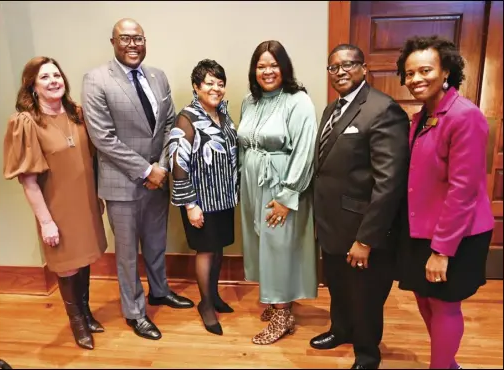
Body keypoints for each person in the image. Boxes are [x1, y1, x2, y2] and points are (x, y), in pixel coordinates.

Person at [81, 18, 194, 341]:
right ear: (113, 41)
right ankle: (134, 312)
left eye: (139, 38)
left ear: (146, 41)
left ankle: (160, 291)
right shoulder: (97, 80)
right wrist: (146, 170)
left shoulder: (157, 77)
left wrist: (160, 168)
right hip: (123, 184)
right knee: (128, 254)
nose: (133, 44)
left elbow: (170, 123)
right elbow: (103, 137)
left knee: (157, 244)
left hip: (157, 181)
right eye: (126, 38)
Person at [396, 35, 494, 370]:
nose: (416, 79)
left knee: (444, 305)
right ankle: (447, 364)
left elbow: (463, 190)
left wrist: (442, 251)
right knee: (424, 298)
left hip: (456, 234)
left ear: (446, 70)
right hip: (422, 227)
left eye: (425, 70)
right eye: (409, 74)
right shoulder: (422, 116)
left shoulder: (464, 116)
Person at [310, 43, 410, 369]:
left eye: (348, 65)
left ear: (364, 68)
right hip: (332, 223)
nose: (340, 72)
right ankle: (340, 330)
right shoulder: (331, 109)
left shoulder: (383, 109)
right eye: (333, 67)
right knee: (338, 286)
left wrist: (366, 239)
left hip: (362, 229)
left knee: (365, 297)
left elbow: (389, 183)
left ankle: (367, 354)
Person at [3, 56, 107, 350]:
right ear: (32, 86)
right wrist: (46, 221)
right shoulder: (26, 122)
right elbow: (29, 181)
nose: (53, 81)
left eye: (56, 75)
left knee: (84, 258)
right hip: (57, 208)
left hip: (84, 203)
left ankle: (86, 314)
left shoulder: (77, 113)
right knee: (66, 266)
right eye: (45, 77)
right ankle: (77, 324)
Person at [237, 40, 318, 345]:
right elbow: (245, 145)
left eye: (274, 65)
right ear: (253, 70)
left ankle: (283, 314)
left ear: (285, 67)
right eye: (261, 66)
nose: (268, 71)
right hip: (253, 184)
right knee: (263, 245)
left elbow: (305, 152)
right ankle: (274, 302)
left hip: (282, 183)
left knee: (280, 246)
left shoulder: (298, 101)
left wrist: (287, 196)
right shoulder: (250, 101)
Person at [169, 59, 238, 336]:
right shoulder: (186, 118)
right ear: (196, 86)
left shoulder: (223, 113)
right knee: (206, 251)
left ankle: (215, 295)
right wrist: (190, 205)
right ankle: (206, 305)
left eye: (220, 83)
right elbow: (178, 164)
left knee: (219, 248)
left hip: (223, 197)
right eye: (209, 83)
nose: (216, 88)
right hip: (200, 201)